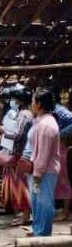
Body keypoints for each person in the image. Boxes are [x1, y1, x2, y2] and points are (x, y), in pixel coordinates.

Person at [0, 88, 33, 226]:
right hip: (21, 152)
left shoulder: (24, 115)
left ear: (19, 100)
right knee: (20, 184)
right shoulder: (24, 113)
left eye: (13, 99)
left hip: (19, 153)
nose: (12, 101)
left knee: (20, 185)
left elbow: (19, 135)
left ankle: (25, 215)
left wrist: (3, 131)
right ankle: (24, 214)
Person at [28, 89, 61, 237]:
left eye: (33, 101)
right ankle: (38, 231)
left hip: (44, 171)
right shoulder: (42, 121)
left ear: (39, 104)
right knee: (37, 203)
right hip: (40, 170)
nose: (31, 104)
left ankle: (43, 234)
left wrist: (37, 173)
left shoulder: (46, 125)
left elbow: (43, 153)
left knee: (44, 203)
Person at [52, 87, 72, 221]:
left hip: (61, 148)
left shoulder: (58, 110)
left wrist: (59, 136)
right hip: (60, 147)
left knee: (63, 180)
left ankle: (65, 212)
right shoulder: (60, 110)